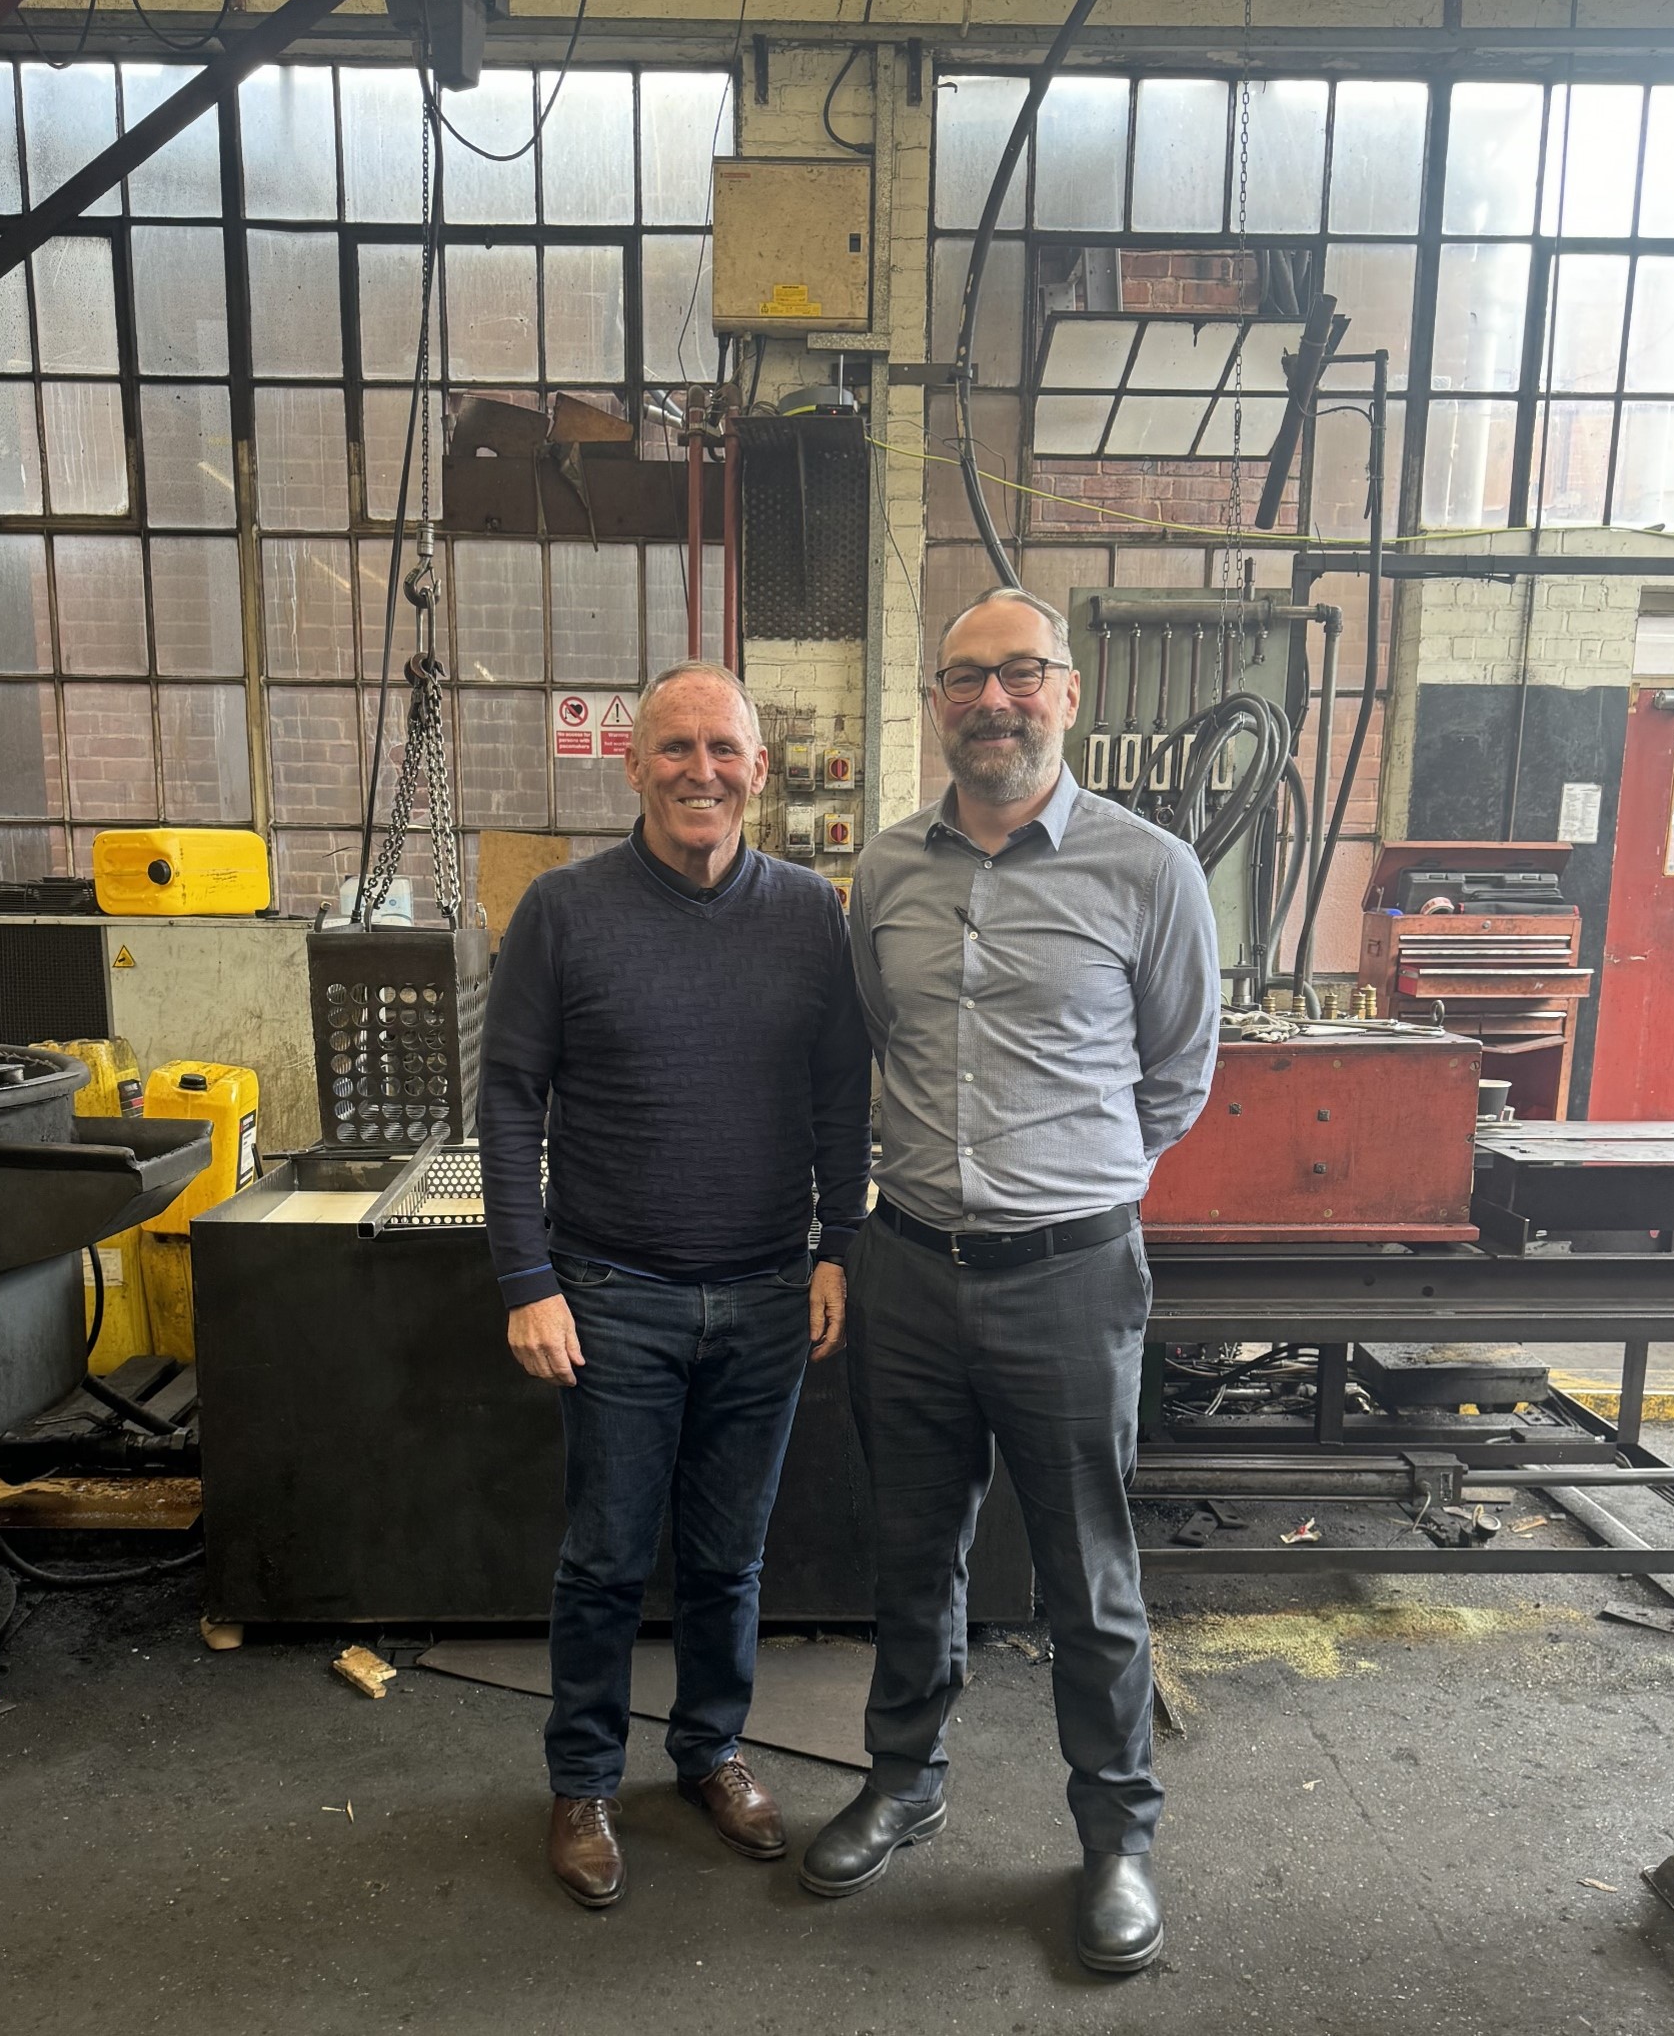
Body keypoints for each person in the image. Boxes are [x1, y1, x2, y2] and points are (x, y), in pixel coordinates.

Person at [799, 588, 1219, 1975]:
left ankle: (1116, 1837)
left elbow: (1176, 1074)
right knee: (912, 1551)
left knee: (1087, 1574)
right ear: (937, 699)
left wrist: (1069, 1182)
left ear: (1068, 690)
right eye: (967, 677)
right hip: (910, 1267)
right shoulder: (885, 873)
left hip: (1070, 1276)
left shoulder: (1149, 870)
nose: (994, 699)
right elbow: (875, 1040)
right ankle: (904, 1777)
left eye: (1020, 673)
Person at [478, 659, 871, 1912]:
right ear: (633, 763)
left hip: (765, 1296)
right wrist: (526, 1275)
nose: (701, 770)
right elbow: (507, 1098)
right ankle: (584, 1780)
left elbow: (837, 1101)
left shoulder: (813, 912)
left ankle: (710, 1751)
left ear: (760, 769)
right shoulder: (563, 910)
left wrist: (839, 1246)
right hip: (611, 1295)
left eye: (724, 749)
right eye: (676, 747)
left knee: (727, 1557)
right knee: (602, 1559)